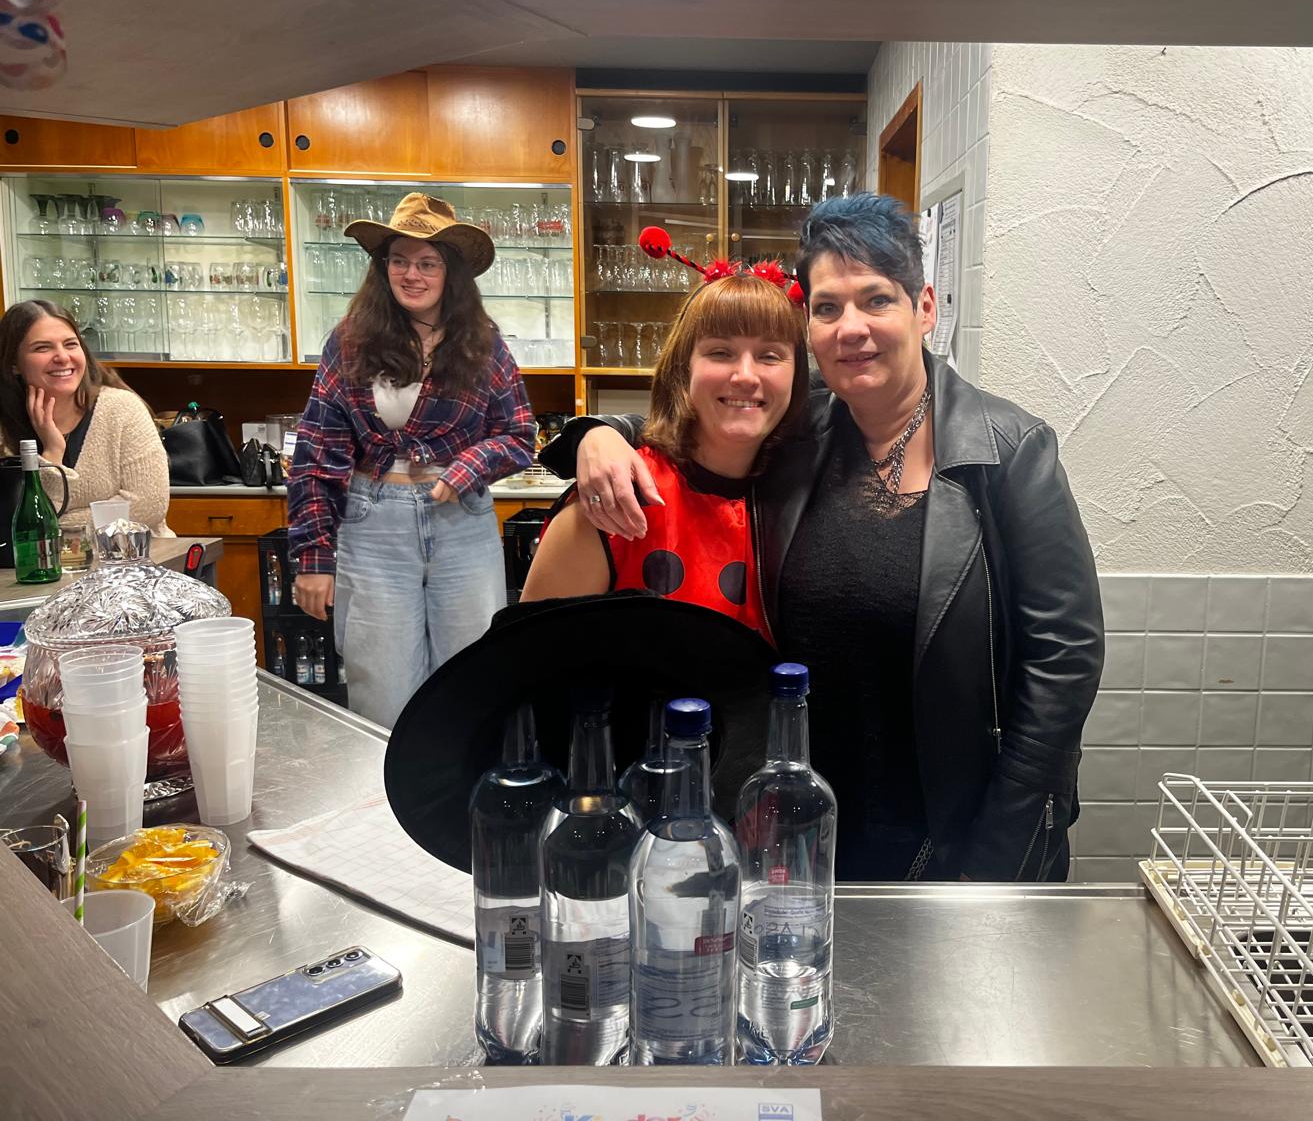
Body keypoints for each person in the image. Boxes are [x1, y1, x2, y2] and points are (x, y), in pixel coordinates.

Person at [544, 194, 1104, 882]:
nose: (852, 328)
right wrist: (598, 435)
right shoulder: (801, 435)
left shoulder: (1007, 451)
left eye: (877, 300)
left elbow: (1065, 660)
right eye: (828, 307)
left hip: (961, 831)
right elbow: (708, 420)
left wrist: (998, 853)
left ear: (925, 307)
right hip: (809, 830)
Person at [288, 193, 537, 729]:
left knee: (473, 685)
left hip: (462, 526)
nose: (412, 274)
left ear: (451, 274)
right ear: (383, 268)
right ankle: (386, 787)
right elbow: (317, 452)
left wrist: (468, 467)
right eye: (399, 260)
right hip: (372, 527)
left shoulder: (483, 344)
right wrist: (313, 558)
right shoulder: (350, 342)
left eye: (428, 263)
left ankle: (464, 784)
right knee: (383, 695)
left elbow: (519, 435)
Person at [521, 270, 808, 646]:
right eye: (720, 352)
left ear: (797, 375)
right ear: (683, 368)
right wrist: (592, 433)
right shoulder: (614, 497)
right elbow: (528, 662)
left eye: (770, 356)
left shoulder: (801, 497)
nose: (745, 376)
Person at [0, 299, 170, 535]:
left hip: (137, 556)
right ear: (14, 364)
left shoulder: (122, 409)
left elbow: (148, 506)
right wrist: (52, 452)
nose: (62, 357)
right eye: (42, 348)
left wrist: (56, 525)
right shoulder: (3, 432)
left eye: (71, 344)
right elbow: (11, 524)